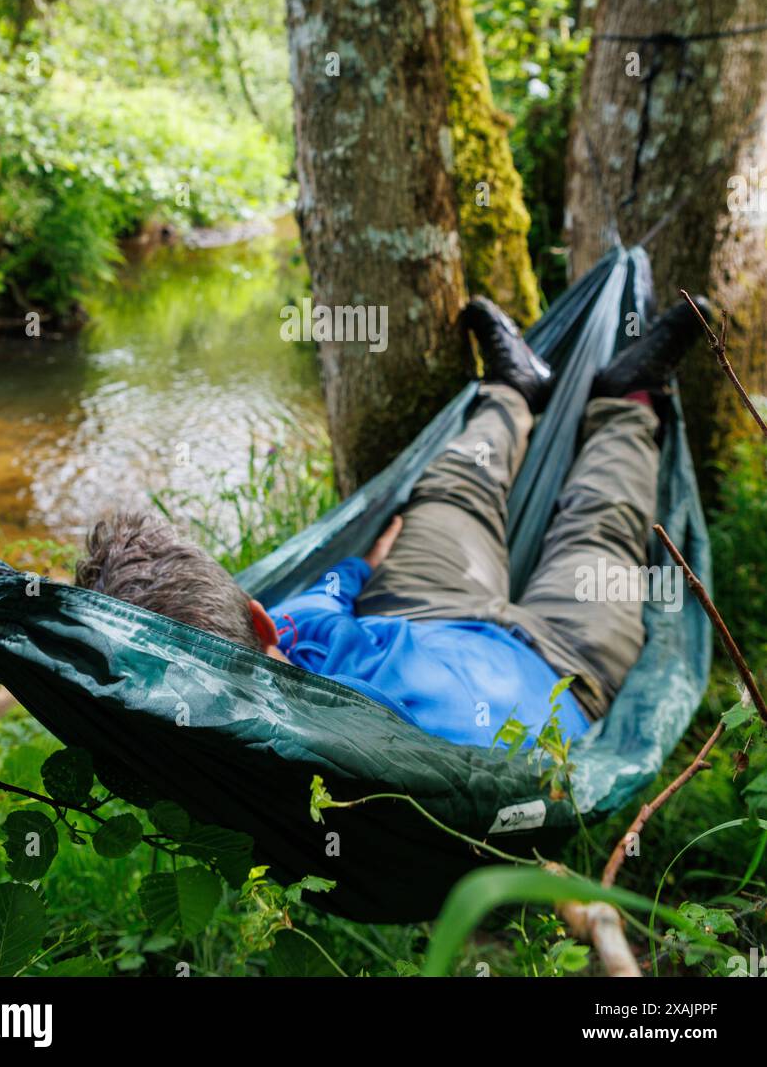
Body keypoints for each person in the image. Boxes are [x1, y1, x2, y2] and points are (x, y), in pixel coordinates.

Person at [75, 296, 707, 749]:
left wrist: (369, 562)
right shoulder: (299, 648)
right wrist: (365, 566)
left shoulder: (205, 742)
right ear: (259, 615)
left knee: (458, 497)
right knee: (598, 525)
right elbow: (332, 590)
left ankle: (515, 388)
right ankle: (624, 401)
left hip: (427, 616)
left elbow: (341, 583)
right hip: (558, 674)